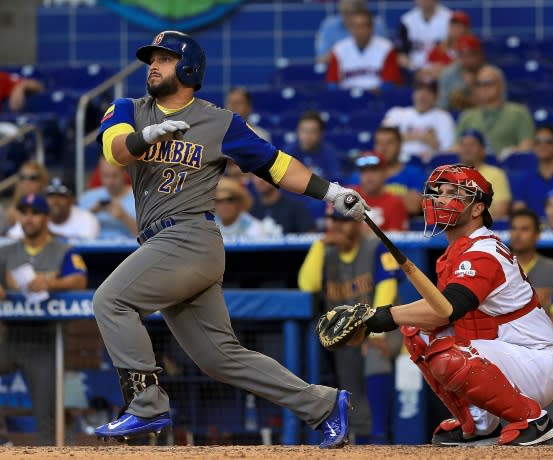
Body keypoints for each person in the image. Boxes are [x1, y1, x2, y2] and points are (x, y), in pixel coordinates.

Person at [91, 30, 370, 448]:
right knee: (220, 358)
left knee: (110, 300)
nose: (153, 64)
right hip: (160, 243)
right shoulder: (129, 109)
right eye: (151, 58)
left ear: (188, 68)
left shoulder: (219, 121)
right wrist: (144, 137)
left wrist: (330, 192)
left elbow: (275, 165)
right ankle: (324, 405)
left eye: (164, 59)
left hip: (189, 236)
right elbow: (114, 150)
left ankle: (145, 404)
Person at [340, 164, 553, 446]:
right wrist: (380, 317)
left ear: (477, 209)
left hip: (534, 360)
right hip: (503, 353)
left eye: (453, 193)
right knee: (416, 331)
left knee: (446, 353)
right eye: (439, 192)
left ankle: (533, 420)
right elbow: (437, 316)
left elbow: (448, 308)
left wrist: (380, 317)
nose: (441, 199)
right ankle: (477, 425)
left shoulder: (483, 251)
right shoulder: (459, 250)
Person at [298, 205, 401, 444]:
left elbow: (388, 286)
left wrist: (376, 332)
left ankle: (379, 437)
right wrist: (319, 246)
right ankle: (363, 441)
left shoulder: (375, 246)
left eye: (343, 221)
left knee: (375, 355)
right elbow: (307, 285)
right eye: (333, 221)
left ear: (357, 223)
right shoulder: (327, 252)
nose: (337, 227)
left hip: (385, 328)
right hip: (348, 336)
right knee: (349, 378)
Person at [0, 193, 88, 445]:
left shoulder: (62, 250)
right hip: (10, 338)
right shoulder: (7, 249)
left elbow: (80, 279)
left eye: (35, 213)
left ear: (46, 218)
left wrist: (50, 282)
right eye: (24, 213)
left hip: (45, 342)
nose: (29, 219)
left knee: (46, 418)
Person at [508, 207, 553, 442]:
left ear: (537, 235)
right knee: (509, 435)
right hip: (507, 363)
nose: (517, 235)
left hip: (545, 361)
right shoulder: (499, 269)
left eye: (525, 229)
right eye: (514, 229)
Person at [454, 64, 535, 159]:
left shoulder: (519, 112)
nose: (483, 87)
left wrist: (511, 154)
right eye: (478, 84)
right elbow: (457, 147)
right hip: (474, 169)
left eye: (488, 83)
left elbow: (527, 146)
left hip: (506, 169)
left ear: (501, 85)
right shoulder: (467, 116)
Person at [381, 78, 456, 163]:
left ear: (436, 97)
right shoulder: (396, 113)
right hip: (398, 163)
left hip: (429, 166)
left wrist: (403, 136)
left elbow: (446, 150)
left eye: (429, 92)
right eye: (419, 90)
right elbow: (384, 141)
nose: (423, 95)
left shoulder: (444, 117)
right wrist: (424, 138)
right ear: (413, 93)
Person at [326, 9, 402, 91]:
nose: (358, 30)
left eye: (362, 26)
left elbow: (389, 83)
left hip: (378, 99)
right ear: (349, 28)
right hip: (346, 99)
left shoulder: (386, 47)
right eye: (354, 26)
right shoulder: (339, 49)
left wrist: (371, 92)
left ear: (371, 28)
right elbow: (332, 84)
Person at [7, 178, 100, 241]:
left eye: (61, 196)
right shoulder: (35, 217)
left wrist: (48, 236)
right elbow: (11, 238)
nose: (55, 201)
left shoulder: (87, 218)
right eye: (51, 196)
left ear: (72, 200)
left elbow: (88, 247)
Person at [456, 129, 511, 219]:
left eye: (472, 144)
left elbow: (500, 211)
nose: (467, 148)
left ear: (483, 150)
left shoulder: (496, 174)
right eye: (463, 145)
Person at [79, 158, 138, 240]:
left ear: (124, 173)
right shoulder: (87, 197)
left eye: (115, 176)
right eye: (106, 176)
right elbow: (73, 230)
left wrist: (124, 217)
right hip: (92, 250)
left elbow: (148, 236)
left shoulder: (138, 197)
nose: (110, 181)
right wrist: (91, 213)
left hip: (128, 250)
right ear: (100, 175)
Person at [315, 0, 388, 64]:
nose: (349, 19)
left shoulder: (376, 24)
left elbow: (385, 54)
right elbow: (321, 59)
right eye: (345, 13)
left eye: (353, 13)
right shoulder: (329, 25)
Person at [352, 151, 409, 231]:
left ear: (385, 173)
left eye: (374, 170)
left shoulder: (395, 203)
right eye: (363, 170)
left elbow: (395, 241)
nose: (368, 175)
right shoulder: (348, 198)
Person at [282, 110, 342, 181]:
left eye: (312, 131)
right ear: (297, 131)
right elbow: (283, 179)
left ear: (320, 133)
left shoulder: (329, 152)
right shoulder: (289, 151)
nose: (307, 136)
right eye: (304, 130)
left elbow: (335, 180)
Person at [214, 177, 278, 241]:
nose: (225, 205)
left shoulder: (253, 227)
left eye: (230, 199)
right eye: (219, 200)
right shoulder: (207, 226)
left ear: (239, 202)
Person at [396, 0, 452, 72]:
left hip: (443, 70)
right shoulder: (406, 20)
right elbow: (400, 54)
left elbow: (456, 50)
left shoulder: (450, 18)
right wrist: (414, 68)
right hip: (414, 71)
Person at [250, 175, 316, 234]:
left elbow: (310, 237)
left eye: (264, 173)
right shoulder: (248, 209)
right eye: (255, 175)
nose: (259, 180)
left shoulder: (295, 206)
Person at [419, 10, 472, 82]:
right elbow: (423, 72)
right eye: (452, 24)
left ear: (466, 29)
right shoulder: (439, 48)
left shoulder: (471, 48)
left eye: (458, 25)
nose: (454, 28)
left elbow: (468, 69)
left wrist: (444, 69)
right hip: (436, 85)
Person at [436, 34, 485, 112]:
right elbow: (442, 106)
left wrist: (472, 87)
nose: (467, 60)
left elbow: (494, 106)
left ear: (480, 55)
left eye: (471, 55)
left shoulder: (491, 74)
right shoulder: (448, 73)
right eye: (462, 55)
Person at [5, 160, 49, 232]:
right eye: (23, 177)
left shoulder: (49, 207)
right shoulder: (11, 211)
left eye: (32, 178)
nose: (27, 182)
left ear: (42, 181)